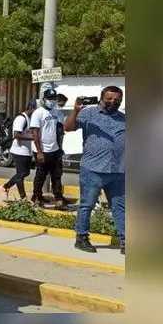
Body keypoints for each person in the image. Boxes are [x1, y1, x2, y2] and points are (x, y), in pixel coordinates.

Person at [65, 87, 125, 255]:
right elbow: (68, 128)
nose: (113, 102)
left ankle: (126, 241)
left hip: (118, 171)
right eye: (109, 98)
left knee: (121, 207)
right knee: (87, 205)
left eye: (117, 99)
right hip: (93, 169)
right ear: (101, 98)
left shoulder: (124, 119)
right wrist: (75, 111)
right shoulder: (88, 113)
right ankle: (81, 238)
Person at [31, 89, 66, 207]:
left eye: (53, 99)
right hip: (42, 150)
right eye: (49, 99)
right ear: (44, 100)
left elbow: (60, 130)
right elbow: (35, 133)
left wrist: (60, 148)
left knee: (57, 175)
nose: (51, 101)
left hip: (55, 149)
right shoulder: (38, 113)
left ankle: (58, 198)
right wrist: (39, 152)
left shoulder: (57, 112)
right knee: (41, 175)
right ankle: (37, 197)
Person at [0, 100, 38, 201]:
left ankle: (5, 187)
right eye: (36, 110)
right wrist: (33, 138)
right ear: (31, 108)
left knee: (26, 172)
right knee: (21, 174)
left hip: (27, 151)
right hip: (19, 150)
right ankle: (23, 198)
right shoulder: (21, 118)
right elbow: (16, 134)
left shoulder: (31, 118)